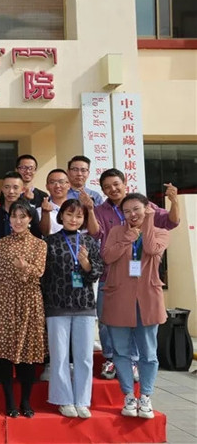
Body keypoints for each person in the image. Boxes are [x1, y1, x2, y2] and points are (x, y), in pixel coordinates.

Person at [86, 169, 180, 380]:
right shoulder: (101, 210)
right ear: (103, 190)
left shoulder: (143, 205)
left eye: (116, 184)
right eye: (107, 187)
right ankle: (110, 359)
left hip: (141, 280)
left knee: (137, 321)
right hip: (110, 276)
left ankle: (135, 361)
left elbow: (170, 222)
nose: (113, 189)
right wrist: (90, 210)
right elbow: (95, 234)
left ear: (125, 182)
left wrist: (174, 201)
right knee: (107, 320)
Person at [101, 193, 169, 420]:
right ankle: (129, 395)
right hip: (119, 298)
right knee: (121, 351)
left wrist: (147, 223)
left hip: (148, 300)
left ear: (147, 208)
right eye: (127, 211)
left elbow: (151, 249)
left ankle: (146, 396)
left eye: (136, 209)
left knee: (148, 353)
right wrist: (126, 239)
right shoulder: (116, 232)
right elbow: (107, 256)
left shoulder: (160, 232)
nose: (132, 214)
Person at [41, 199, 103, 419]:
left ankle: (82, 400)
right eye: (69, 214)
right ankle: (63, 399)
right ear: (61, 216)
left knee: (84, 357)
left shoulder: (89, 241)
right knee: (59, 356)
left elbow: (97, 272)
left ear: (84, 219)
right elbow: (43, 276)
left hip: (84, 304)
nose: (73, 219)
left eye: (78, 216)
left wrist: (86, 264)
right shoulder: (49, 242)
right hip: (57, 305)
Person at [0, 200, 46, 418]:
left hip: (28, 302)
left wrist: (25, 267)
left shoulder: (39, 244)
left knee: (27, 354)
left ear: (30, 219)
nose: (18, 221)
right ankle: (10, 402)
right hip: (3, 302)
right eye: (14, 216)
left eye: (23, 217)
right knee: (3, 355)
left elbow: (39, 273)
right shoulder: (0, 244)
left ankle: (26, 401)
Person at [0, 171, 42, 250]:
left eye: (15, 187)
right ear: (2, 189)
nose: (11, 191)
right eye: (7, 187)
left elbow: (37, 239)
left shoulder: (31, 212)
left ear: (22, 190)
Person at [38, 169, 71, 236]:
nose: (57, 186)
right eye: (52, 182)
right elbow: (44, 233)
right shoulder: (39, 211)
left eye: (61, 182)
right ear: (47, 186)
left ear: (69, 185)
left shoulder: (77, 209)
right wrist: (45, 213)